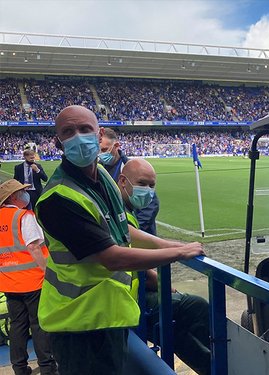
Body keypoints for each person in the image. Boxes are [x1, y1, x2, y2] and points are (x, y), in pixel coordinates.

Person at [34, 105, 205, 375]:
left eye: (84, 129)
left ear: (99, 134)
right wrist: (178, 253)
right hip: (79, 326)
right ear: (58, 142)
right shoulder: (58, 198)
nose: (78, 136)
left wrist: (168, 244)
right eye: (68, 131)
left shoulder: (100, 175)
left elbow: (122, 226)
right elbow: (111, 257)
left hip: (107, 316)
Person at [118, 158, 211, 375]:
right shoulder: (119, 211)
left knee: (175, 329)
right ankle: (226, 355)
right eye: (143, 183)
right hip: (128, 303)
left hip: (129, 299)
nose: (148, 191)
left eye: (152, 186)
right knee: (195, 306)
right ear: (123, 181)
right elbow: (132, 254)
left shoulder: (126, 210)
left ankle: (214, 364)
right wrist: (177, 251)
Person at [0, 179, 58, 375]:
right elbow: (33, 246)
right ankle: (47, 367)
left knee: (17, 325)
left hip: (9, 281)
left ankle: (19, 368)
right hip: (33, 280)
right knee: (39, 324)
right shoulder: (23, 216)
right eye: (22, 192)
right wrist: (48, 272)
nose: (26, 194)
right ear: (13, 197)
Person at [99, 128, 160, 235]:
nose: (100, 154)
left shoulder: (133, 170)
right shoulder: (99, 170)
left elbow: (150, 206)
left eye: (104, 150)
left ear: (116, 146)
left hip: (138, 236)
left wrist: (132, 232)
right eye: (98, 150)